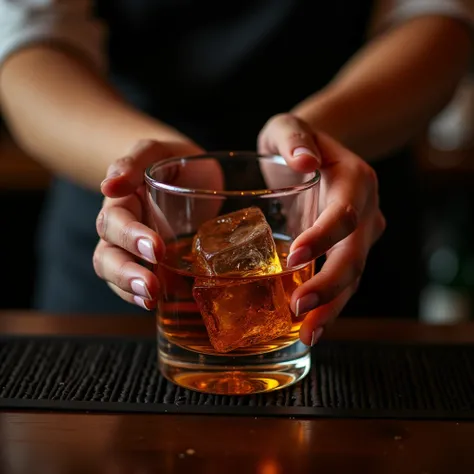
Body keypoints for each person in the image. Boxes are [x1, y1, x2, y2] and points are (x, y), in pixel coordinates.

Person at [0, 0, 471, 346]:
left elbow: (436, 15)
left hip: (340, 220)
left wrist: (319, 140)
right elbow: (27, 42)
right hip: (125, 232)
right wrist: (145, 167)